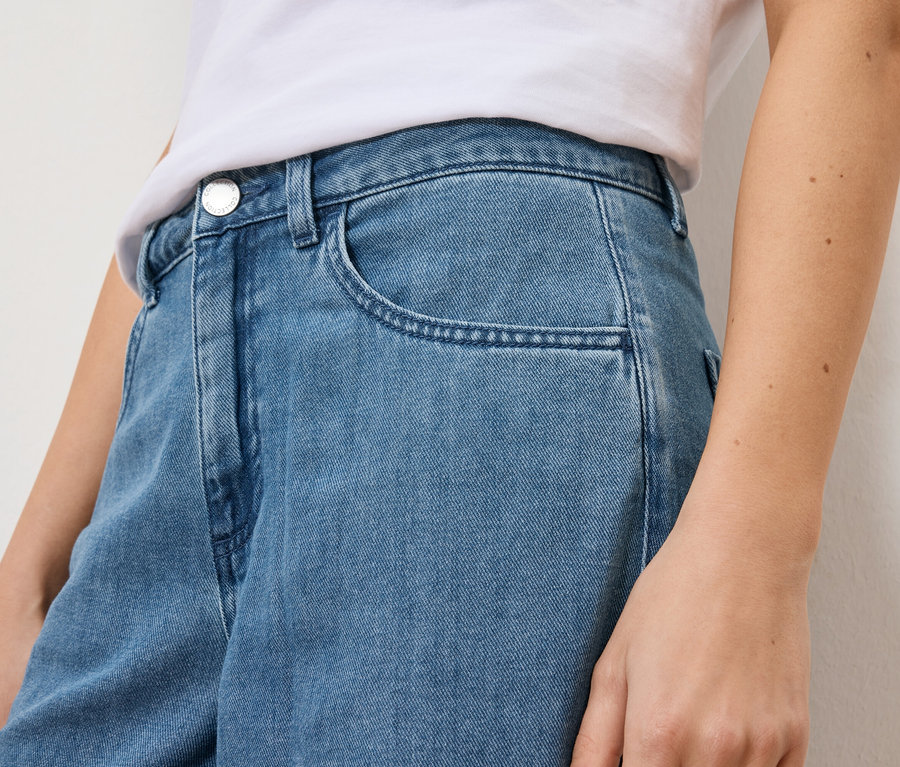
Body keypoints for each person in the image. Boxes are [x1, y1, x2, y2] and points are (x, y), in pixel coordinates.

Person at [1, 0, 898, 764]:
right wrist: (30, 563)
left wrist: (758, 546)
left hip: (477, 294)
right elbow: (239, 106)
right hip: (189, 295)